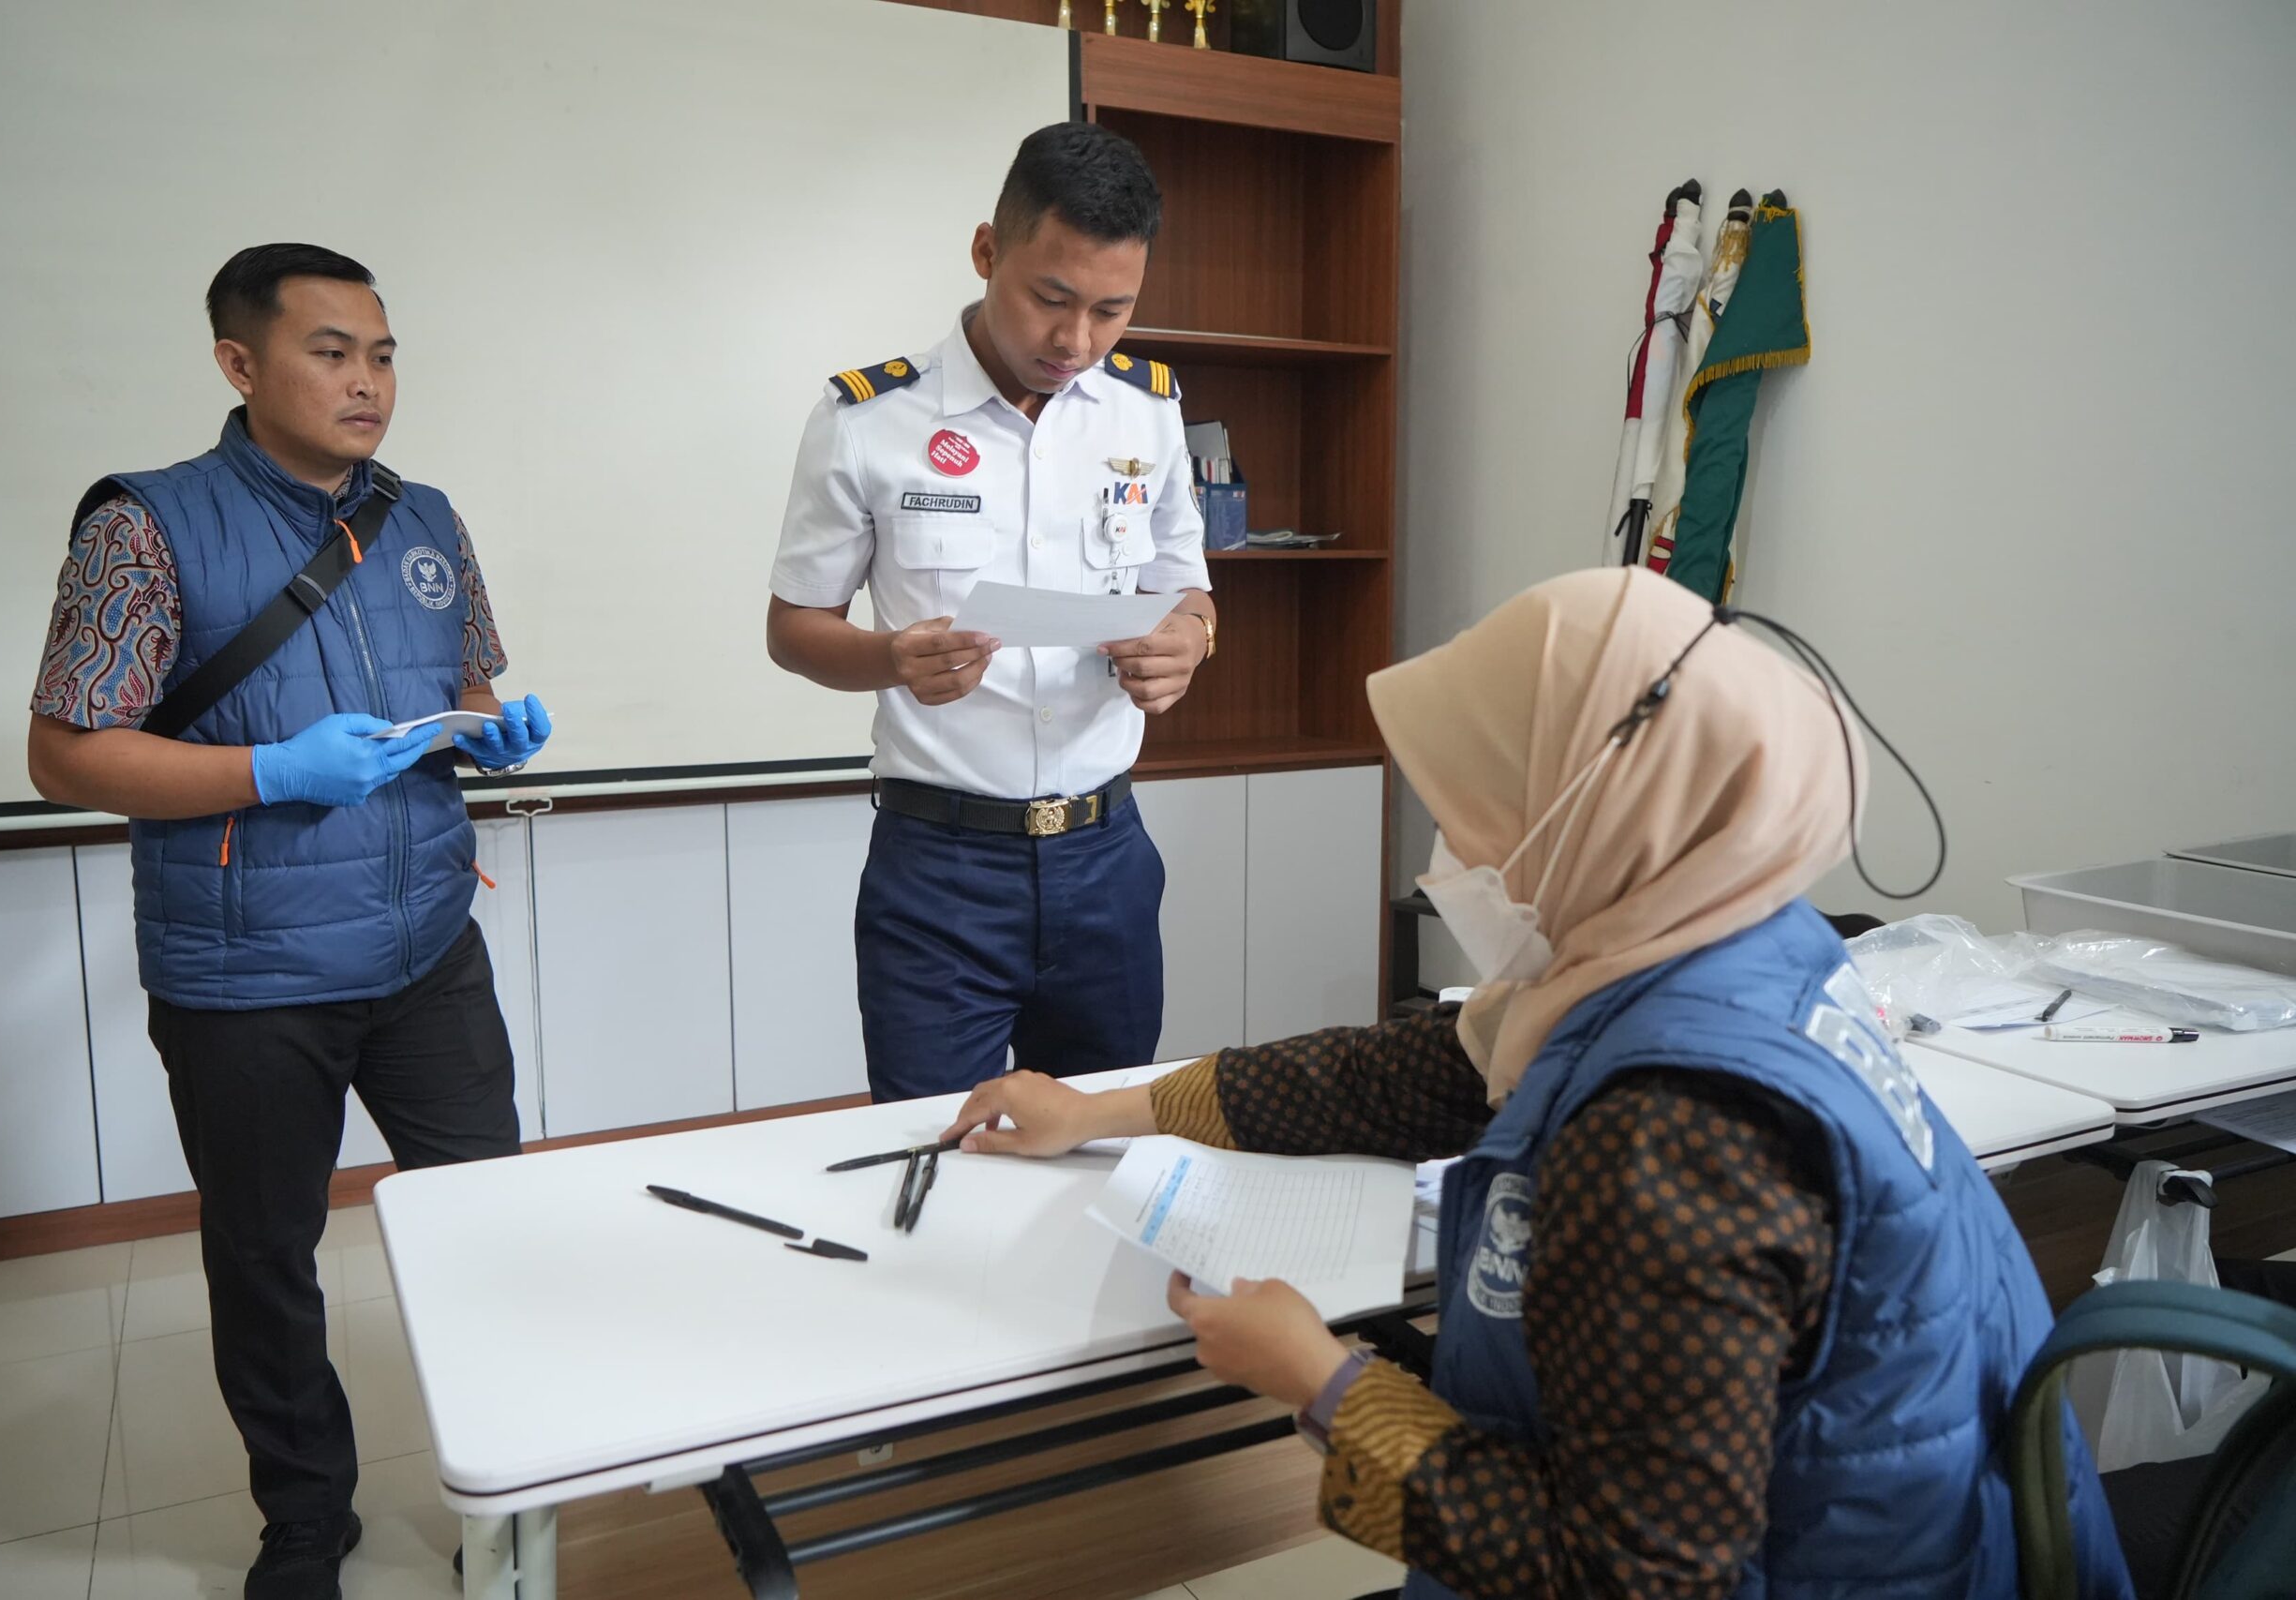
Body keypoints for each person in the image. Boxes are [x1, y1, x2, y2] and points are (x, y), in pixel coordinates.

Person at [940, 568, 2133, 1598]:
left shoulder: (1670, 1136)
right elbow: (1410, 1074)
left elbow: (1630, 1576)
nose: (1449, 858)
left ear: (1598, 810)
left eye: (1478, 812)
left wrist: (1321, 1379)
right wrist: (1105, 1109)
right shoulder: (1735, 934)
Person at [25, 244, 552, 1600]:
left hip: (428, 945)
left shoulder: (424, 516)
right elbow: (66, 754)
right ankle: (306, 1517)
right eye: (330, 353)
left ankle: (511, 1498)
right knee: (266, 1258)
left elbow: (467, 682)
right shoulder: (146, 525)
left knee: (488, 1221)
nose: (367, 381)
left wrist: (489, 729)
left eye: (381, 354)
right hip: (244, 973)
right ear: (240, 363)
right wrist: (269, 770)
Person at [766, 122, 1216, 1104]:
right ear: (986, 251)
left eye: (1111, 310)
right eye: (1050, 298)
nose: (1076, 341)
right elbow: (793, 629)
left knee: (1104, 1141)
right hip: (941, 871)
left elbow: (1186, 584)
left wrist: (1189, 637)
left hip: (1107, 857)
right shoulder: (867, 421)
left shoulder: (1145, 410)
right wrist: (893, 657)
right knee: (939, 1147)